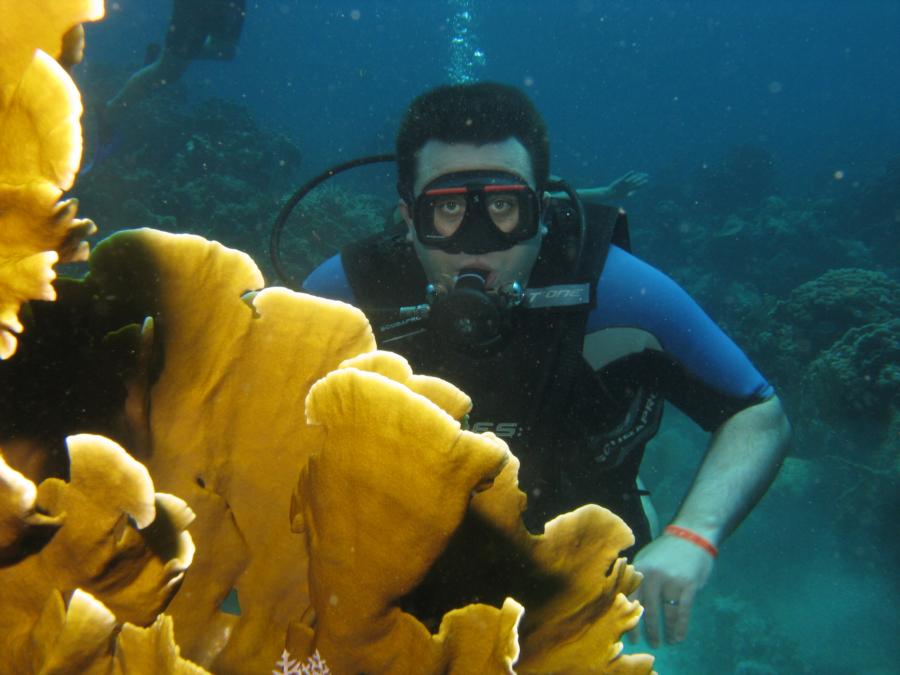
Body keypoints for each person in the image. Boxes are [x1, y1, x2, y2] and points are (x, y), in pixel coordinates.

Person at [302, 82, 791, 648]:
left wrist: (693, 536)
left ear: (542, 211)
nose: (475, 246)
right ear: (409, 216)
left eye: (504, 207)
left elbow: (758, 412)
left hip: (577, 571)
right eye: (449, 209)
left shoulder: (616, 291)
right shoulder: (346, 295)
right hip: (391, 571)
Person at [102, 0, 246, 129]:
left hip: (228, 4)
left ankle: (170, 56)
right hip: (197, 6)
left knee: (227, 51)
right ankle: (110, 114)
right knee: (169, 72)